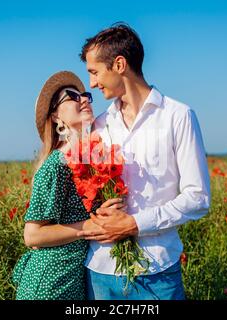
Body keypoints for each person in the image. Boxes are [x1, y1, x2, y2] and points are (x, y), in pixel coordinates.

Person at [77, 23, 212, 300]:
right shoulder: (98, 126)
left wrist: (135, 224)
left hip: (157, 271)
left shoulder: (178, 116)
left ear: (119, 64)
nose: (91, 83)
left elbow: (198, 198)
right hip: (101, 270)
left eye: (94, 72)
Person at [11, 71, 125, 300]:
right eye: (72, 96)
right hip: (49, 282)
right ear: (55, 116)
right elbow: (32, 236)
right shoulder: (57, 164)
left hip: (72, 279)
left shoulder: (87, 159)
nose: (83, 99)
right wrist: (89, 226)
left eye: (85, 95)